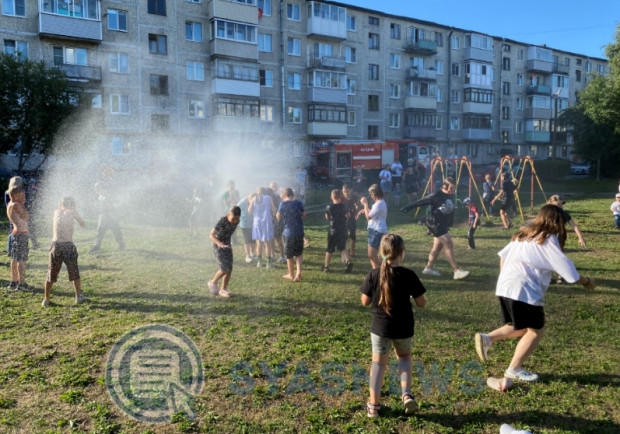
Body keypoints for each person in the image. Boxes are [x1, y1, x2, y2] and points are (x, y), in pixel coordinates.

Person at [474, 205, 596, 384]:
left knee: (522, 327)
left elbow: (503, 256)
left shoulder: (523, 234)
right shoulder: (547, 238)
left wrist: (505, 276)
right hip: (524, 289)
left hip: (506, 285)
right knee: (536, 331)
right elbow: (566, 268)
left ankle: (487, 339)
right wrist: (585, 281)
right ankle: (513, 369)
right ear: (557, 221)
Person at [360, 233, 427, 418]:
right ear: (402, 252)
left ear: (382, 252)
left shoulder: (374, 274)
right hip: (404, 328)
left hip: (381, 329)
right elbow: (422, 303)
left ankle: (373, 406)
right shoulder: (409, 275)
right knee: (404, 358)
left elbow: (364, 300)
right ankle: (406, 395)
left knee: (378, 365)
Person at [401, 178, 470, 280]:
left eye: (454, 188)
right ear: (444, 186)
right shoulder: (436, 195)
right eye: (451, 188)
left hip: (442, 223)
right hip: (435, 223)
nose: (453, 190)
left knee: (437, 247)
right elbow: (422, 201)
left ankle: (428, 268)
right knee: (448, 243)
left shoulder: (449, 195)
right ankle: (456, 270)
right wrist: (409, 207)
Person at [42, 197, 87, 307]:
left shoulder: (56, 212)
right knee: (74, 271)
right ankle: (78, 296)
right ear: (72, 205)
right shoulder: (72, 212)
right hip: (67, 245)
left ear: (61, 204)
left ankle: (46, 299)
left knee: (51, 273)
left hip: (55, 245)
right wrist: (78, 217)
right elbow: (82, 223)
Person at [208, 206, 241, 298]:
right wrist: (219, 244)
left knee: (229, 268)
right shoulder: (222, 221)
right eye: (233, 219)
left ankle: (223, 289)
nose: (235, 221)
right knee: (225, 268)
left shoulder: (236, 221)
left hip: (227, 245)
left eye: (237, 219)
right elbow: (211, 235)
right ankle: (212, 282)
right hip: (218, 245)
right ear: (228, 215)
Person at [90, 174, 125, 253]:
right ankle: (96, 246)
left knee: (116, 230)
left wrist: (111, 213)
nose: (95, 189)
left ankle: (122, 245)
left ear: (102, 188)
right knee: (100, 231)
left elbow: (114, 205)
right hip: (103, 215)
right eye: (95, 188)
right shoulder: (100, 196)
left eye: (97, 188)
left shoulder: (108, 195)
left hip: (110, 215)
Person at [276, 188, 306, 282]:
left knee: (289, 255)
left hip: (288, 233)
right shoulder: (299, 203)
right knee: (298, 254)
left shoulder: (283, 204)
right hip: (299, 231)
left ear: (284, 195)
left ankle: (291, 274)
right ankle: (298, 272)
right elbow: (304, 215)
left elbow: (278, 216)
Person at [6, 185, 32, 291]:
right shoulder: (17, 204)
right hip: (21, 234)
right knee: (21, 259)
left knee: (15, 258)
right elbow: (27, 216)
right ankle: (22, 283)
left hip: (15, 233)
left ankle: (13, 281)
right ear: (15, 195)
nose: (24, 197)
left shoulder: (10, 204)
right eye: (22, 195)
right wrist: (23, 205)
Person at [357, 184, 388, 270]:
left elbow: (368, 217)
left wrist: (365, 204)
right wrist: (367, 210)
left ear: (374, 194)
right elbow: (375, 214)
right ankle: (376, 272)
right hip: (374, 230)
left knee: (371, 254)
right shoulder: (379, 203)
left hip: (377, 231)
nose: (370, 196)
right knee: (373, 256)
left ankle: (386, 269)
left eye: (371, 194)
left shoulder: (379, 204)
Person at [322, 189, 353, 273]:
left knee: (330, 248)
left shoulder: (329, 207)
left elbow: (327, 217)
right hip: (343, 229)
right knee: (342, 247)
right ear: (341, 197)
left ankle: (326, 267)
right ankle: (348, 261)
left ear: (331, 198)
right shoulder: (345, 206)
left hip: (333, 229)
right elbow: (348, 215)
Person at [249, 187, 276, 268]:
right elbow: (273, 209)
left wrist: (251, 202)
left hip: (257, 222)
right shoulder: (268, 198)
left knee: (259, 243)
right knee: (268, 243)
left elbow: (249, 211)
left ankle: (259, 263)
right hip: (266, 222)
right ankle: (268, 263)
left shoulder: (254, 198)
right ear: (265, 192)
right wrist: (274, 213)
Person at [269, 182, 286, 264]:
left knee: (278, 239)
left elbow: (280, 210)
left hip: (277, 220)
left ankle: (282, 256)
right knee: (271, 239)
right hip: (270, 220)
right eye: (272, 187)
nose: (273, 188)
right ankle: (272, 256)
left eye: (275, 186)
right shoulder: (267, 197)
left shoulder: (278, 197)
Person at [342, 184, 361, 258]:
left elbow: (357, 206)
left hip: (352, 218)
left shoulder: (354, 197)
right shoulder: (341, 199)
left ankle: (352, 252)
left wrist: (357, 209)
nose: (346, 193)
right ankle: (344, 252)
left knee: (352, 235)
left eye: (347, 191)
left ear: (350, 190)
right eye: (344, 192)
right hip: (343, 220)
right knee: (344, 236)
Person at [237, 194, 255, 262]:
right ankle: (247, 255)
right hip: (244, 224)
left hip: (253, 223)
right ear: (248, 198)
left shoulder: (253, 200)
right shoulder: (242, 202)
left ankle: (252, 254)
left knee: (253, 240)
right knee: (246, 240)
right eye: (251, 200)